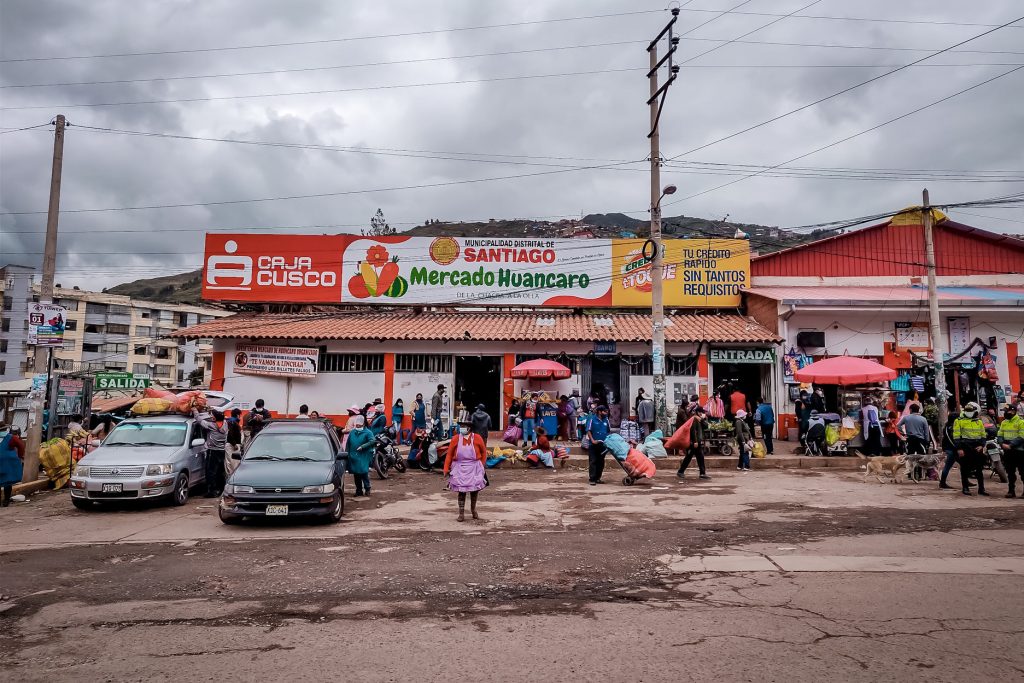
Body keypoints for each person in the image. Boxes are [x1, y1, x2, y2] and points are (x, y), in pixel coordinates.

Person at [443, 418, 487, 521]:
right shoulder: (455, 438)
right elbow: (449, 454)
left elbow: (484, 452)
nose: (461, 428)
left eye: (464, 426)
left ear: (469, 428)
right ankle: (461, 513)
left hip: (474, 467)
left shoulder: (477, 438)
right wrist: (446, 468)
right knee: (461, 491)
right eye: (461, 426)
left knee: (474, 490)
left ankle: (473, 510)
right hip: (459, 467)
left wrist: (481, 464)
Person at [953, 402, 988, 496]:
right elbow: (956, 436)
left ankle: (981, 489)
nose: (969, 413)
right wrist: (959, 449)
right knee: (964, 468)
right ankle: (965, 488)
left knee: (979, 469)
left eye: (970, 411)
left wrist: (981, 445)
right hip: (965, 446)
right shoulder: (959, 421)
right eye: (967, 411)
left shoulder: (979, 421)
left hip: (977, 447)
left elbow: (983, 435)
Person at [193, 408, 226, 498]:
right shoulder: (225, 424)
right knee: (220, 471)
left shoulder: (212, 426)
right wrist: (211, 410)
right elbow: (219, 418)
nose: (211, 417)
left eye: (212, 416)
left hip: (213, 451)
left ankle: (212, 491)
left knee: (210, 471)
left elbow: (199, 420)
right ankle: (221, 489)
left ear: (215, 419)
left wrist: (195, 411)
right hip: (222, 450)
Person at [677, 408, 711, 480]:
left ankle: (702, 473)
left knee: (699, 457)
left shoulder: (699, 419)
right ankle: (681, 471)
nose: (702, 414)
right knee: (689, 457)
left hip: (697, 442)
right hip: (694, 442)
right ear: (697, 412)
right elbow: (693, 431)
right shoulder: (693, 419)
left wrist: (702, 419)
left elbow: (706, 426)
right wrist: (695, 441)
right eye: (701, 412)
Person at [345, 415, 375, 497]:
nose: (357, 427)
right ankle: (358, 490)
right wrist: (346, 454)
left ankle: (367, 488)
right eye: (356, 425)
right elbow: (348, 444)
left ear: (363, 425)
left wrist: (363, 446)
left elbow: (372, 441)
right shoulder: (352, 432)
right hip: (353, 455)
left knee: (363, 472)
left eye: (359, 425)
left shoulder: (368, 432)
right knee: (356, 473)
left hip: (363, 455)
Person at [997, 406, 1024, 498]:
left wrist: (1010, 445)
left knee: (1022, 472)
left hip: (1019, 451)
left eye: (1007, 411)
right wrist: (1001, 443)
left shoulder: (1021, 422)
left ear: (1013, 411)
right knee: (1010, 472)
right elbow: (1000, 434)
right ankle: (1011, 491)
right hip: (1008, 451)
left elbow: (1022, 436)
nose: (1005, 413)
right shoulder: (1004, 422)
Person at [0, 422, 26, 507]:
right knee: (8, 481)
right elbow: (21, 445)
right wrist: (20, 455)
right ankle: (6, 500)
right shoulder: (11, 438)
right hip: (8, 461)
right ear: (5, 429)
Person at [586, 405, 611, 486]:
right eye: (604, 411)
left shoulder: (606, 420)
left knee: (601, 461)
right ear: (599, 412)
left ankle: (598, 478)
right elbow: (588, 431)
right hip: (593, 444)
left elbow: (608, 431)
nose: (606, 413)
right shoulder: (592, 419)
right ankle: (592, 478)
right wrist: (592, 440)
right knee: (593, 461)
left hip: (603, 444)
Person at [224, 408, 243, 477]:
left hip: (232, 444)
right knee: (232, 463)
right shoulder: (233, 422)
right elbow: (230, 434)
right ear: (238, 415)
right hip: (232, 445)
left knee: (231, 462)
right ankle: (231, 477)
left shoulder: (230, 421)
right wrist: (234, 444)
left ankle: (232, 476)